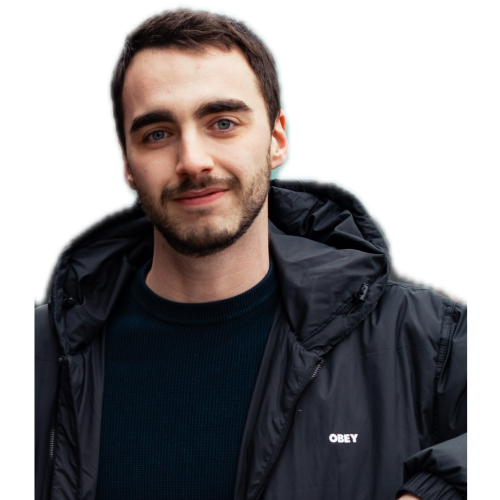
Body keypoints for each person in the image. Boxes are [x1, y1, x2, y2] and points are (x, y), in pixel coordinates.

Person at [34, 6, 468, 500]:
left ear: (277, 139)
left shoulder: (424, 338)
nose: (193, 160)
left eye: (222, 122)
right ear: (127, 164)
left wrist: (434, 492)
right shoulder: (45, 352)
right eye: (157, 134)